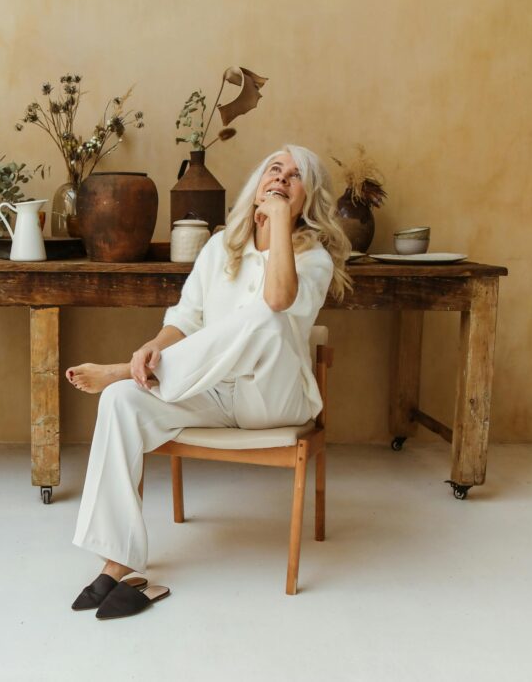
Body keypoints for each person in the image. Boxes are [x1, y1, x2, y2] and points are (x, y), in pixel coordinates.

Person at [65, 144, 352, 618]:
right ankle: (117, 561)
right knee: (119, 400)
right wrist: (155, 345)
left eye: (295, 176)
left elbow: (278, 301)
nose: (281, 179)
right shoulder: (220, 248)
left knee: (268, 317)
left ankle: (124, 369)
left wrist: (281, 222)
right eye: (274, 169)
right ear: (257, 185)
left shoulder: (314, 258)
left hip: (272, 400)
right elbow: (186, 319)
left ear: (308, 198)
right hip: (210, 390)